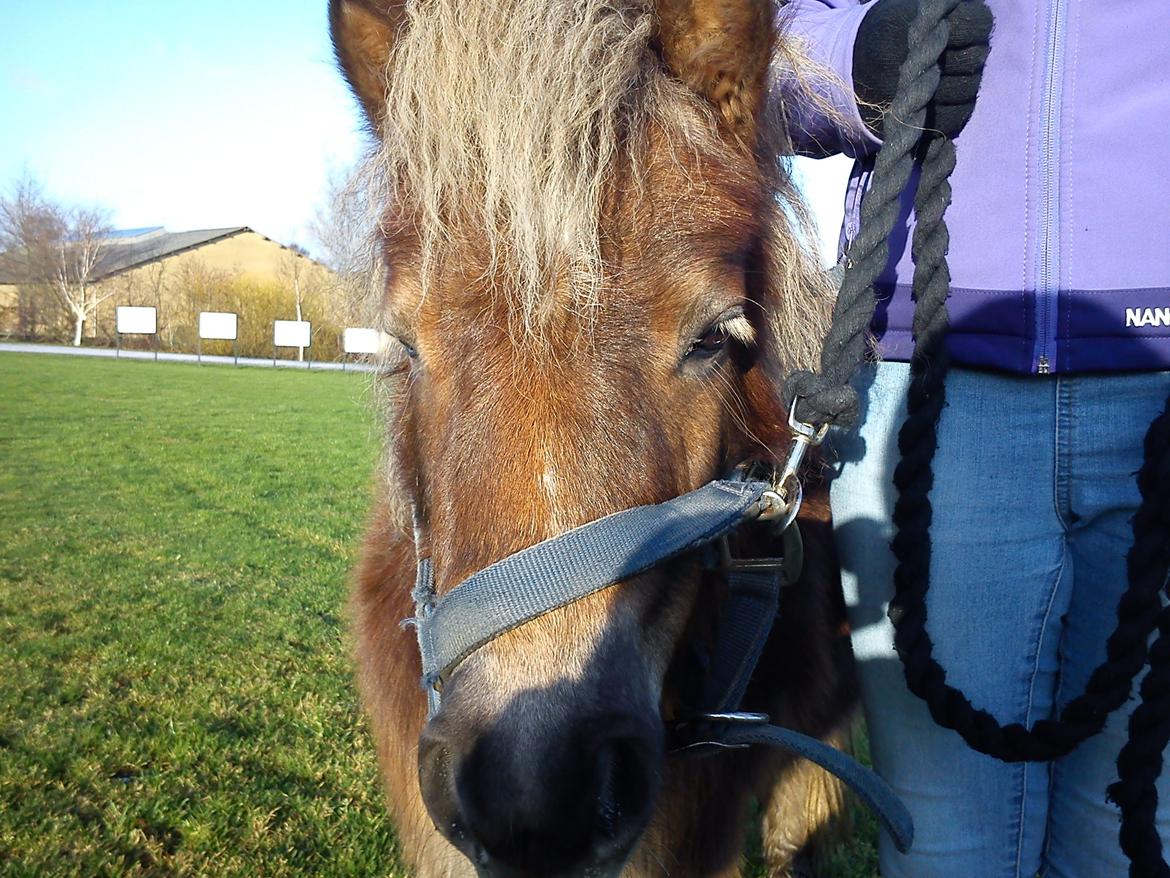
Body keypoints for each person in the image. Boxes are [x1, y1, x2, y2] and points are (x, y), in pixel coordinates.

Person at [774, 1, 1170, 875]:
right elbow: (749, 55)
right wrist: (859, 58)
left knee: (1133, 830)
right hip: (929, 385)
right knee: (947, 839)